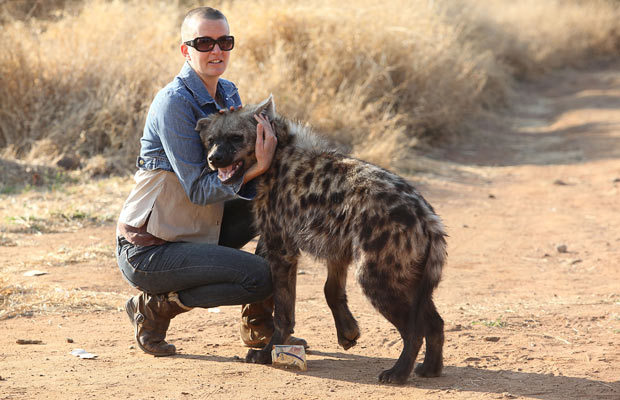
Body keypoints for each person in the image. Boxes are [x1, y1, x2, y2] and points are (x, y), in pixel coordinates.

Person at [115, 6, 305, 357]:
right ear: (185, 50)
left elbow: (242, 168)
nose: (216, 50)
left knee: (282, 212)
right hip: (152, 248)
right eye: (204, 42)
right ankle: (156, 307)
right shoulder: (173, 103)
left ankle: (260, 326)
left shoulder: (228, 93)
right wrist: (259, 167)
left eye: (224, 42)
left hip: (196, 230)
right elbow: (200, 189)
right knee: (260, 276)